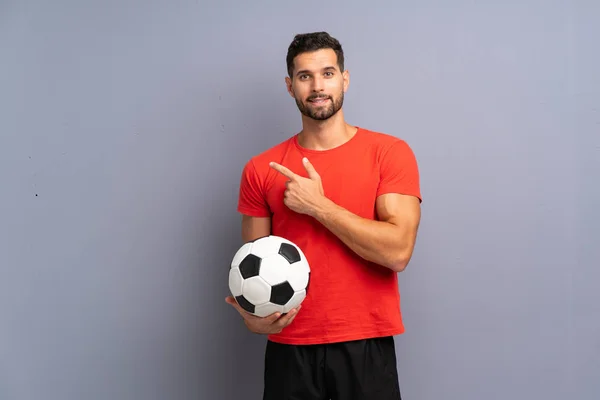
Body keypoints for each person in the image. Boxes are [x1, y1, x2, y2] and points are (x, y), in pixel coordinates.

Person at [225, 31, 422, 400]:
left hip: (366, 343)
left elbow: (397, 252)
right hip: (290, 347)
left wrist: (318, 205)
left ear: (345, 79)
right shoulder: (261, 169)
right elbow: (254, 264)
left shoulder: (389, 153)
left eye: (328, 73)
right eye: (305, 76)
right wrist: (252, 316)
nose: (318, 86)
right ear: (290, 86)